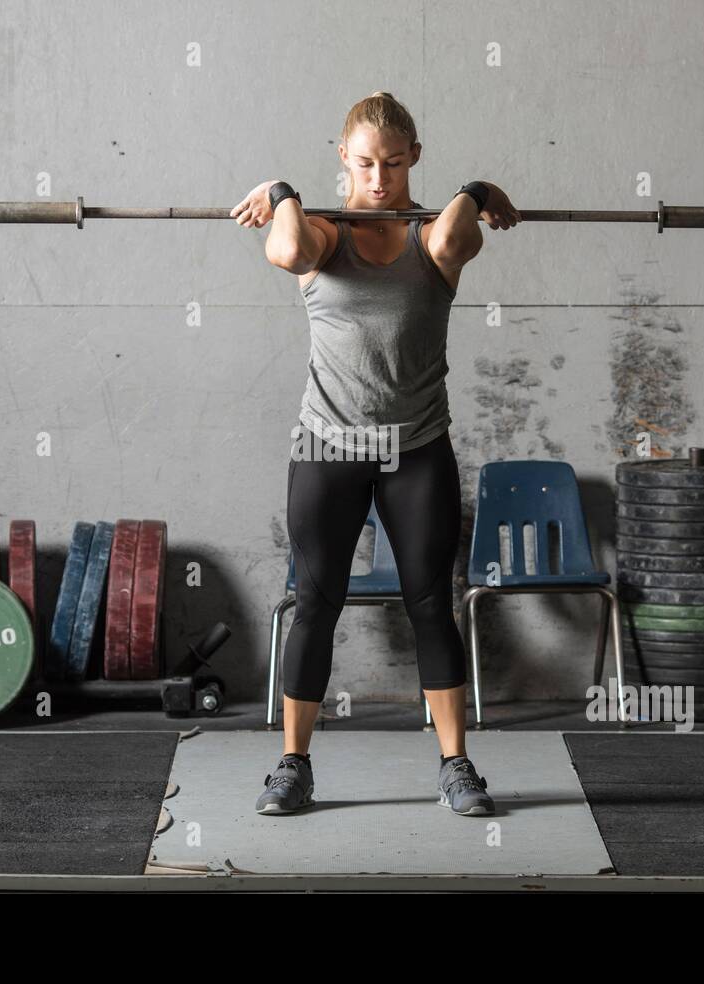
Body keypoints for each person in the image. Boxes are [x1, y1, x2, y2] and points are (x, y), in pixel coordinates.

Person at [231, 92, 521, 816]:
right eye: (364, 163)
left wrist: (477, 191)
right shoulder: (322, 232)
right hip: (328, 447)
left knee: (431, 605)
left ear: (414, 158)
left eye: (393, 163)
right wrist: (280, 191)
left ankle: (457, 766)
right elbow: (289, 248)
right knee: (317, 605)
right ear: (342, 160)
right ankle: (293, 766)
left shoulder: (432, 241)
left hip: (416, 449)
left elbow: (459, 235)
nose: (380, 178)